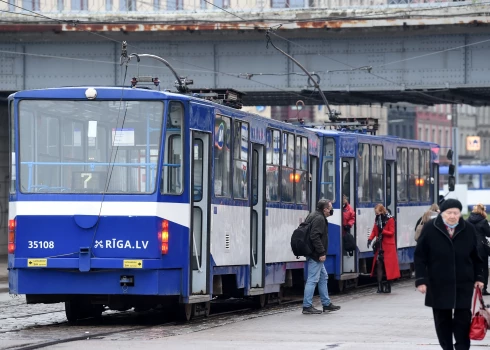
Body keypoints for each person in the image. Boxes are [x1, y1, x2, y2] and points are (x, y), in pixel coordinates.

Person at [415, 198, 485, 350]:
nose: (453, 216)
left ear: (460, 213)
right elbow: (420, 256)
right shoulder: (430, 229)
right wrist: (421, 280)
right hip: (438, 283)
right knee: (442, 321)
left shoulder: (468, 229)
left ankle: (462, 347)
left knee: (463, 320)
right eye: (449, 213)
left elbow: (476, 256)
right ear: (442, 214)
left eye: (456, 213)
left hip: (463, 283)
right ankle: (447, 347)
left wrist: (479, 277)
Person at [302, 199, 341, 315]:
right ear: (325, 209)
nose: (331, 210)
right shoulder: (319, 219)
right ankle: (307, 306)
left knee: (323, 277)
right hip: (315, 254)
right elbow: (315, 236)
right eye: (330, 208)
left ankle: (326, 303)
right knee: (312, 279)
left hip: (311, 252)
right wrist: (321, 252)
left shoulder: (313, 215)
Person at [367, 204, 400, 293]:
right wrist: (370, 239)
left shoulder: (390, 219)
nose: (377, 215)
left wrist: (383, 231)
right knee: (379, 265)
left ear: (382, 211)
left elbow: (392, 232)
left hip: (388, 246)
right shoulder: (377, 219)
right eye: (376, 213)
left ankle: (388, 285)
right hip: (380, 246)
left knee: (387, 267)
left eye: (377, 213)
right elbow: (374, 230)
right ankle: (379, 286)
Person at [467, 203, 490, 295]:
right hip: (481, 247)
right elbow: (489, 233)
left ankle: (471, 287)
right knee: (483, 267)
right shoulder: (483, 221)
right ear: (482, 211)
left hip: (470, 246)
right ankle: (483, 289)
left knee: (471, 266)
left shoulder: (467, 220)